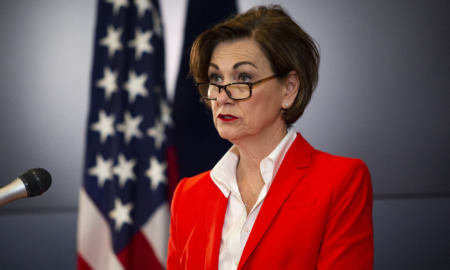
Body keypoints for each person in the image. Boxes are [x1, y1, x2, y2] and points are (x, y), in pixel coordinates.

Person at [167, 5, 373, 270]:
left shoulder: (341, 181)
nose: (221, 97)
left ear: (288, 89)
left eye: (243, 77)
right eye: (215, 78)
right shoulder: (188, 196)